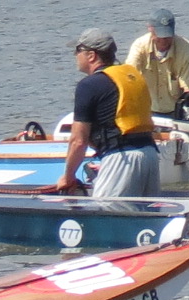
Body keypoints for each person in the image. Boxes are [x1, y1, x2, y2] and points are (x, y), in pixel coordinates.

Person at [51, 29, 160, 197]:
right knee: (146, 219)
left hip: (121, 159)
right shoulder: (132, 76)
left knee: (106, 214)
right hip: (149, 155)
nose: (75, 55)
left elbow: (78, 141)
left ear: (91, 55)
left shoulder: (89, 85)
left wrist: (68, 176)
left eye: (78, 51)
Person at [125, 9, 189, 116]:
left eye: (167, 36)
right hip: (146, 110)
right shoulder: (139, 46)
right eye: (160, 36)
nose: (163, 41)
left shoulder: (186, 48)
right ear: (150, 30)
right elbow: (128, 78)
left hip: (176, 110)